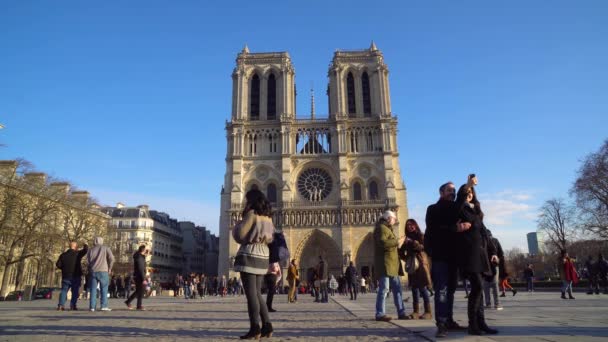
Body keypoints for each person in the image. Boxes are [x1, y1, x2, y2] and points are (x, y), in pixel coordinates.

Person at [424, 181, 471, 338]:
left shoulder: (455, 209)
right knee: (442, 290)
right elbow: (435, 229)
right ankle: (442, 323)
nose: (452, 192)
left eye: (454, 190)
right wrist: (454, 228)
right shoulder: (434, 209)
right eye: (449, 190)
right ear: (441, 192)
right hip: (440, 257)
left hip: (453, 257)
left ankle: (449, 320)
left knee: (450, 290)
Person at [455, 182, 499, 335]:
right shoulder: (460, 208)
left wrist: (493, 252)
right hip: (469, 254)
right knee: (478, 287)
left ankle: (481, 323)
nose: (470, 194)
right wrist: (468, 183)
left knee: (478, 289)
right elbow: (460, 199)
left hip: (481, 254)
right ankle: (472, 325)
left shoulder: (476, 212)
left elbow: (485, 233)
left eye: (472, 192)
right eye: (467, 192)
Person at [232, 189, 275, 339]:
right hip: (263, 256)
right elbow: (270, 239)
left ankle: (255, 327)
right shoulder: (268, 218)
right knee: (257, 294)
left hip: (250, 255)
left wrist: (238, 224)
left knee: (251, 295)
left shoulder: (251, 214)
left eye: (247, 199)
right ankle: (267, 325)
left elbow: (240, 235)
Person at [373, 210, 407, 322]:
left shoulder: (387, 229)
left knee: (397, 290)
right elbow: (382, 243)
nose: (395, 220)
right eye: (394, 219)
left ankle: (401, 312)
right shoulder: (381, 228)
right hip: (386, 264)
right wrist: (397, 242)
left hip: (392, 264)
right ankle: (380, 313)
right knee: (384, 289)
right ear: (388, 218)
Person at [399, 219, 432, 320]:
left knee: (422, 288)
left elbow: (423, 248)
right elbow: (401, 252)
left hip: (421, 265)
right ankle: (416, 312)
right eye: (407, 225)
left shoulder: (421, 236)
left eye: (411, 225)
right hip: (412, 266)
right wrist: (406, 258)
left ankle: (428, 312)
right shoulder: (406, 239)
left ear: (415, 225)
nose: (409, 227)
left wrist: (413, 242)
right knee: (414, 289)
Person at [55, 241, 88, 311]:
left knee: (64, 291)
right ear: (75, 247)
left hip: (66, 275)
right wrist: (85, 244)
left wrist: (64, 268)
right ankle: (73, 305)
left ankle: (61, 305)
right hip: (75, 275)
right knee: (75, 291)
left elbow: (58, 264)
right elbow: (85, 250)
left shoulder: (63, 255)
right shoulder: (77, 254)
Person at [87, 236, 114, 312]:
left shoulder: (91, 250)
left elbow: (88, 261)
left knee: (93, 289)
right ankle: (103, 306)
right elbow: (112, 258)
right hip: (103, 270)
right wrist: (110, 268)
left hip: (93, 271)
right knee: (104, 289)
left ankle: (92, 307)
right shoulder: (105, 248)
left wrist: (91, 267)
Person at [484, 231, 504, 310]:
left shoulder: (482, 241)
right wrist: (498, 260)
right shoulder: (495, 240)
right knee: (495, 284)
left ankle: (488, 303)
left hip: (484, 266)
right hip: (494, 265)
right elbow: (501, 253)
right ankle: (497, 304)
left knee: (486, 285)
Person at [124, 245, 147, 310]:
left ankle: (137, 305)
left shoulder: (139, 257)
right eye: (145, 249)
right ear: (143, 250)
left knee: (139, 291)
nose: (146, 251)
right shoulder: (140, 257)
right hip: (139, 276)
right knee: (140, 291)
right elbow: (141, 268)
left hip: (138, 275)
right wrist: (143, 278)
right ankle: (133, 303)